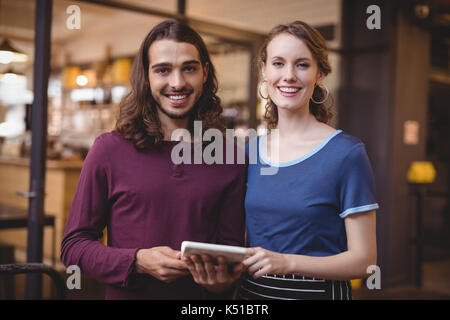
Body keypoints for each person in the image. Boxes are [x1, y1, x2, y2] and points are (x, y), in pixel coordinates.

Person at [61, 20, 246, 300]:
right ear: (146, 77)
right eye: (163, 70)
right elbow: (73, 248)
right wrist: (136, 261)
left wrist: (220, 282)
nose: (177, 83)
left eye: (189, 68)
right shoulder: (109, 150)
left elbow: (230, 259)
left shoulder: (231, 157)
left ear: (205, 73)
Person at [238, 21, 379, 300]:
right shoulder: (249, 152)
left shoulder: (346, 153)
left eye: (302, 64)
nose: (288, 75)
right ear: (264, 71)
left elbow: (365, 261)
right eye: (278, 63)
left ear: (320, 74)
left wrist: (287, 262)